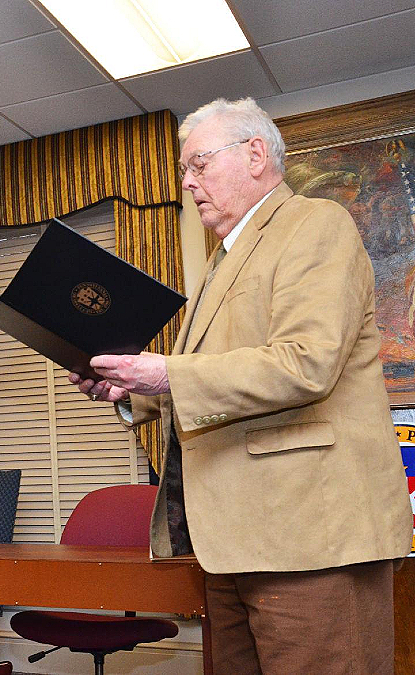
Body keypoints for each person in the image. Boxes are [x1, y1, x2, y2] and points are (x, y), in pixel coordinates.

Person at [73, 97, 411, 674]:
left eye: (199, 165)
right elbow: (226, 368)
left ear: (256, 154)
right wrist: (134, 391)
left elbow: (305, 362)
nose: (187, 183)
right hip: (233, 542)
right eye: (185, 171)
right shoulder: (221, 262)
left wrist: (165, 372)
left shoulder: (314, 223)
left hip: (307, 539)